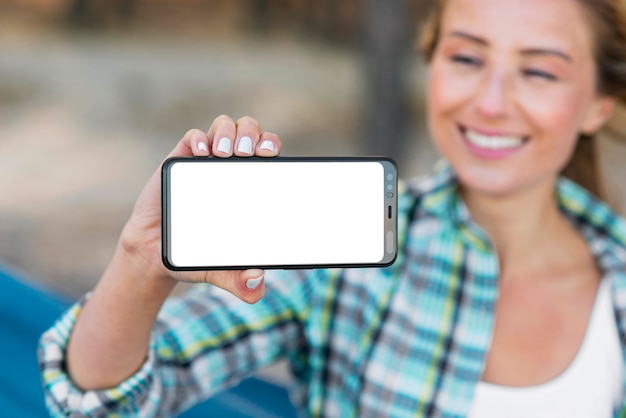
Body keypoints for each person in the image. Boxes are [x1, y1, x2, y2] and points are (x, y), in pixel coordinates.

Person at [39, 0, 626, 416]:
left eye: (539, 71)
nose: (492, 102)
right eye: (467, 59)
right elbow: (96, 404)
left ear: (600, 103)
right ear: (432, 66)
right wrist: (143, 263)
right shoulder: (339, 254)